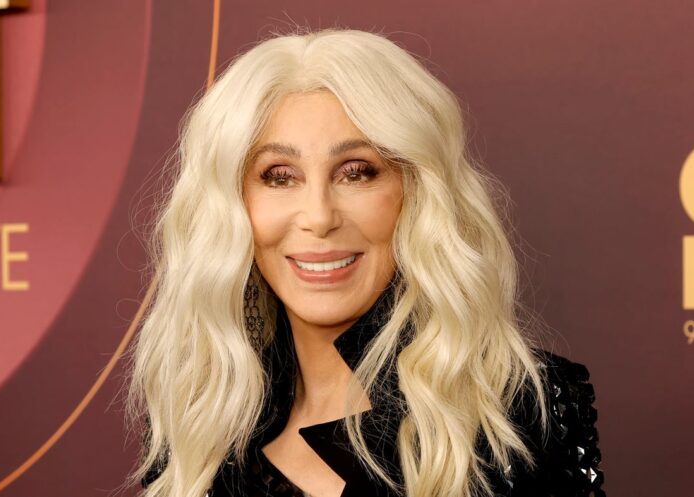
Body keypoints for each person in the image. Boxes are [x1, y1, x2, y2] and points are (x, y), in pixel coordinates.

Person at [125, 27, 605, 497]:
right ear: (234, 206)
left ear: (415, 193)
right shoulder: (199, 427)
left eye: (356, 173)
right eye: (279, 176)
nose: (319, 217)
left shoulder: (518, 413)